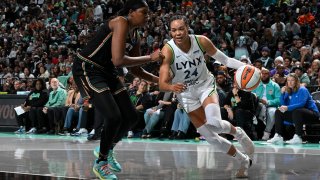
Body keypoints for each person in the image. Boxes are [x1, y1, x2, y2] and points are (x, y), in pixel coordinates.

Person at [72, 0, 163, 179]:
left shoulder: (135, 34)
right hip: (87, 68)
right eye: (143, 12)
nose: (147, 16)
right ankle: (101, 163)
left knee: (130, 116)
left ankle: (105, 149)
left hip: (106, 71)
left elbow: (136, 69)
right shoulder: (121, 21)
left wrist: (158, 81)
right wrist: (150, 58)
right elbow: (119, 60)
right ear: (131, 12)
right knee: (113, 117)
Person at [159, 15, 255, 178]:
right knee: (211, 137)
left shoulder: (201, 41)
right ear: (170, 32)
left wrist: (247, 67)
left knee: (214, 124)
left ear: (187, 27)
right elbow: (162, 84)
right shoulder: (168, 50)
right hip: (186, 95)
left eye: (181, 29)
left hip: (205, 86)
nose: (178, 33)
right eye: (174, 30)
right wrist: (171, 86)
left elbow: (225, 59)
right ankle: (243, 160)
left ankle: (237, 132)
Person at [267, 73, 320, 144]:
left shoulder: (302, 89)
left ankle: (298, 137)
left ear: (296, 81)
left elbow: (302, 104)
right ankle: (278, 136)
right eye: (288, 80)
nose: (290, 82)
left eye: (292, 80)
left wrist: (287, 108)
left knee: (297, 111)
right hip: (296, 115)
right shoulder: (288, 91)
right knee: (278, 111)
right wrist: (282, 94)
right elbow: (283, 104)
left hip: (312, 114)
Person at [253, 68, 281, 140]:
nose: (264, 75)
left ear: (269, 75)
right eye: (262, 74)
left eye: (266, 74)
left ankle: (267, 132)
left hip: (270, 105)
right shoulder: (256, 84)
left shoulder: (275, 85)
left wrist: (268, 102)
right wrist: (257, 99)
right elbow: (252, 94)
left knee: (272, 112)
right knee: (259, 107)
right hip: (258, 104)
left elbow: (279, 99)